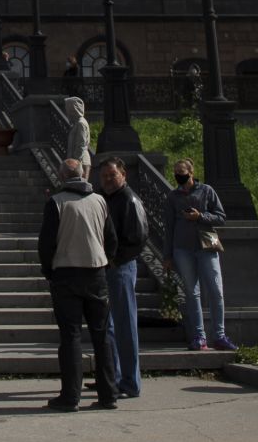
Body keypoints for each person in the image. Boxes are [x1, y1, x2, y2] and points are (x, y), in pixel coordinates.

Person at [37, 158, 118, 411]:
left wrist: (49, 271)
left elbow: (46, 243)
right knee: (102, 336)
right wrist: (105, 261)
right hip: (97, 274)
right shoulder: (100, 201)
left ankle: (71, 396)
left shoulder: (57, 203)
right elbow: (111, 239)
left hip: (66, 274)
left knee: (70, 336)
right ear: (83, 174)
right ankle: (108, 394)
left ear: (62, 177)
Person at [164, 157, 234, 352]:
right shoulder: (172, 197)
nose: (179, 175)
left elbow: (220, 217)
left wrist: (200, 216)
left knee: (215, 290)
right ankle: (199, 336)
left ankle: (219, 335)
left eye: (182, 172)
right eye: (176, 173)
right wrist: (167, 256)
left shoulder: (206, 191)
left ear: (191, 172)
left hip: (206, 245)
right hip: (182, 247)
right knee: (191, 292)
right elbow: (169, 227)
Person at [97, 157, 150, 398]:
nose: (108, 180)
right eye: (104, 176)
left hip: (121, 267)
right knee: (108, 327)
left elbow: (138, 238)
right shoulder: (104, 200)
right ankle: (112, 377)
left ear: (123, 175)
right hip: (105, 268)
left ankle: (130, 381)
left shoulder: (129, 199)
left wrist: (116, 260)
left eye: (112, 175)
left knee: (125, 324)